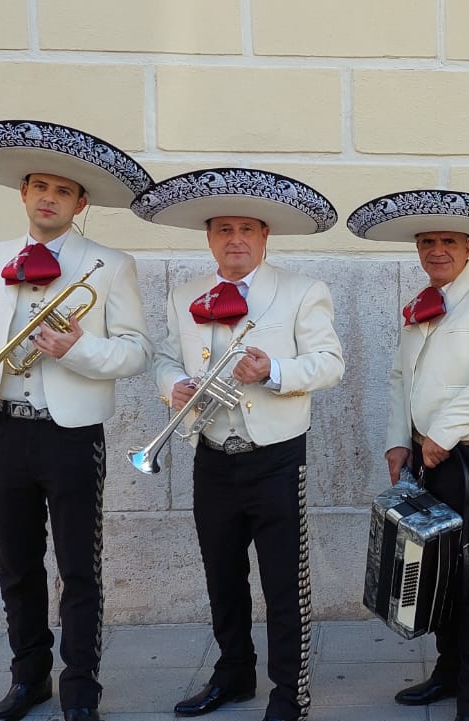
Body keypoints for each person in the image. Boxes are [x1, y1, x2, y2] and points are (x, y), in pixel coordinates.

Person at [0, 119, 155, 721]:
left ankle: (81, 687)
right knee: (16, 563)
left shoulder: (109, 264)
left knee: (78, 567)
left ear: (80, 203)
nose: (48, 198)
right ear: (23, 194)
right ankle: (28, 678)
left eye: (63, 191)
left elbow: (138, 351)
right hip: (7, 429)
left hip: (72, 433)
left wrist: (79, 350)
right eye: (40, 186)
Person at [131, 168, 344, 721]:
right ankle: (233, 675)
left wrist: (272, 369)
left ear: (265, 236)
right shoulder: (184, 296)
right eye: (224, 229)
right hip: (212, 454)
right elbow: (165, 359)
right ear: (209, 239)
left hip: (275, 456)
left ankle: (287, 693)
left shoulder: (302, 291)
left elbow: (330, 364)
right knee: (221, 575)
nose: (236, 239)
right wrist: (169, 386)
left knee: (282, 582)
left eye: (247, 228)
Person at [346, 190, 469, 721]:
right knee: (437, 567)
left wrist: (443, 433)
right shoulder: (418, 307)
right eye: (427, 242)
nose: (437, 249)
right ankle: (448, 672)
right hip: (423, 452)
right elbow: (399, 378)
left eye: (448, 240)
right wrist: (397, 441)